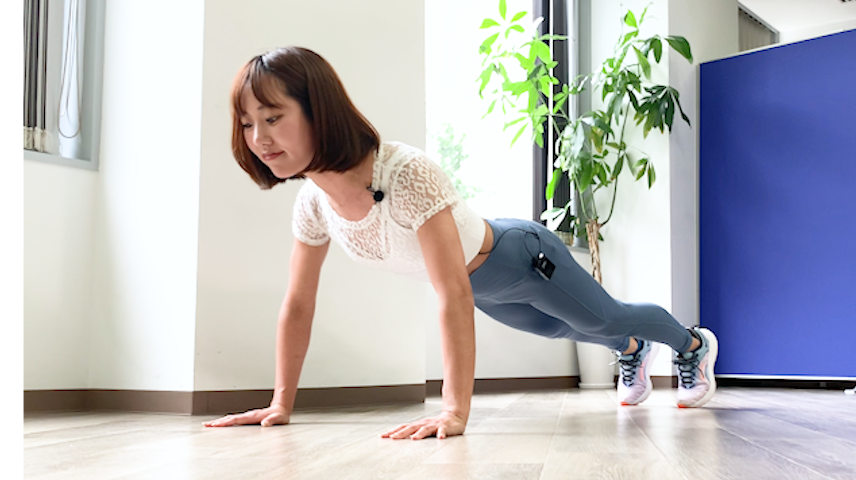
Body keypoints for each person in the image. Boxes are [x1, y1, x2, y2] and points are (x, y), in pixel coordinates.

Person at [203, 47, 719, 439]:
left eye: (273, 118)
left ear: (320, 111)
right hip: (487, 289)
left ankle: (693, 344)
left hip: (521, 257)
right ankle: (632, 348)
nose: (258, 138)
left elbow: (451, 291)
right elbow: (298, 303)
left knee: (601, 318)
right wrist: (280, 403)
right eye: (247, 123)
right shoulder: (313, 204)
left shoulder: (404, 172)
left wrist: (453, 411)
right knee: (564, 328)